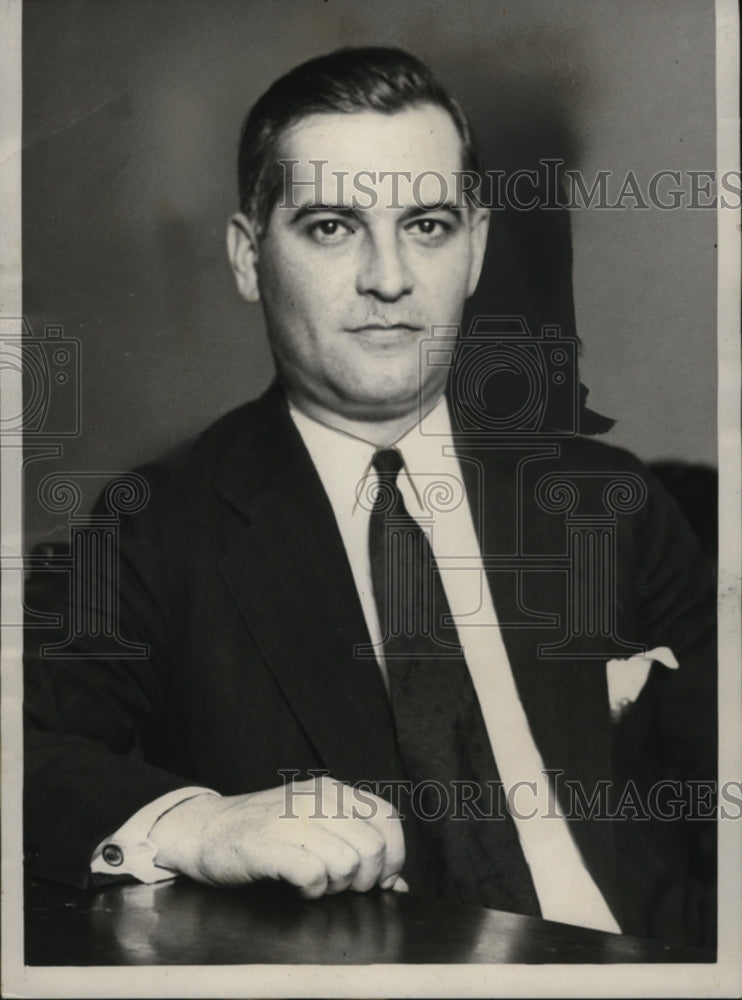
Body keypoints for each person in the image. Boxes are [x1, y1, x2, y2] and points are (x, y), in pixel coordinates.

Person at [24, 46, 716, 949]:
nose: (388, 278)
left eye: (426, 225)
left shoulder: (609, 503)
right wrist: (198, 824)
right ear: (247, 256)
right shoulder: (153, 532)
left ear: (475, 248)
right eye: (331, 227)